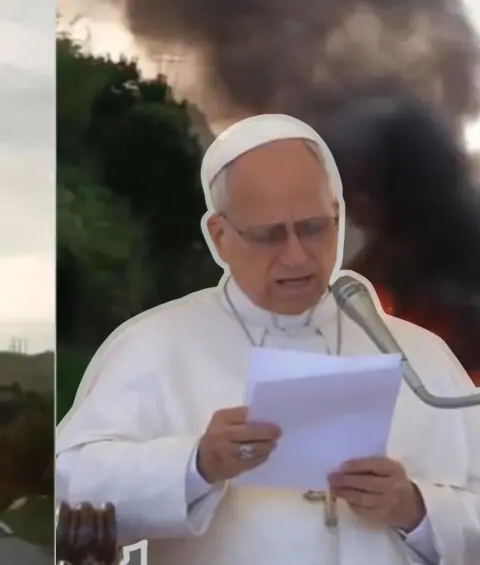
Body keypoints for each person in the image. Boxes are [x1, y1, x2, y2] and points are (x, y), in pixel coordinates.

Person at [55, 114, 480, 565]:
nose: (296, 255)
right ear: (220, 237)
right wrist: (196, 465)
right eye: (269, 235)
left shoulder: (422, 358)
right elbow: (68, 488)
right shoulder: (155, 346)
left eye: (314, 228)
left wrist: (415, 508)